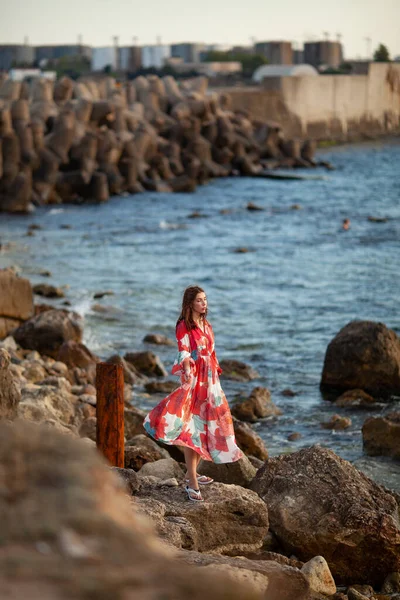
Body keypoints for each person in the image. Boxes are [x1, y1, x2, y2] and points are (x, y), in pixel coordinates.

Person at [143, 285, 243, 502]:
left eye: (205, 299)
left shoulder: (207, 325)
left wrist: (215, 378)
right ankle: (192, 484)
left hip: (210, 382)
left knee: (204, 428)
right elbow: (184, 352)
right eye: (199, 300)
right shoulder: (183, 326)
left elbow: (212, 353)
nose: (204, 303)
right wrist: (188, 371)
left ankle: (191, 473)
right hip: (195, 379)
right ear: (189, 304)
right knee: (192, 429)